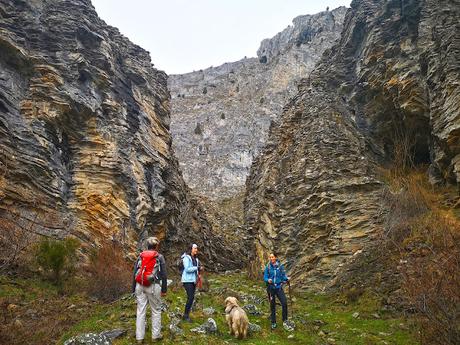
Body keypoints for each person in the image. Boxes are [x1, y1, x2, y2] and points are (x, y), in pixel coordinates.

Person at [132, 237, 167, 343]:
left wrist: (133, 288)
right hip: (153, 286)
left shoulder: (141, 256)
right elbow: (164, 275)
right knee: (156, 310)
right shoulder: (159, 257)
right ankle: (155, 336)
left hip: (140, 285)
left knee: (140, 311)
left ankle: (139, 338)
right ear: (156, 246)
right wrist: (164, 289)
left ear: (147, 246)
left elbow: (134, 272)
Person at [263, 252, 289, 330]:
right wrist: (268, 280)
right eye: (270, 257)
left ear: (276, 257)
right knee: (272, 305)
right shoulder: (268, 267)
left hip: (279, 288)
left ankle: (285, 320)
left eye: (272, 257)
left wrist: (286, 279)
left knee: (284, 303)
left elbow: (283, 275)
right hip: (270, 289)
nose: (271, 259)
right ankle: (273, 322)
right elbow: (265, 277)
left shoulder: (280, 266)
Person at [181, 243, 203, 322]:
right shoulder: (186, 258)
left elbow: (194, 269)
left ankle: (186, 314)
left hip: (193, 280)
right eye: (195, 248)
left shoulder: (196, 259)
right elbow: (187, 269)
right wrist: (197, 268)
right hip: (187, 280)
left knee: (191, 297)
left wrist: (198, 273)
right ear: (191, 249)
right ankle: (186, 315)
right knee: (190, 297)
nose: (196, 250)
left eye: (196, 248)